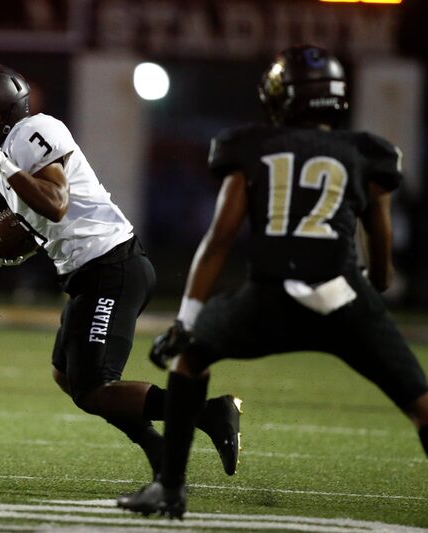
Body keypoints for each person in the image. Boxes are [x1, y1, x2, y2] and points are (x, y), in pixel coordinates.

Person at [117, 44, 428, 519]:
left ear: (284, 97)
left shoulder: (252, 145)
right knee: (421, 404)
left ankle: (170, 489)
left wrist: (186, 320)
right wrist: (375, 287)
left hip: (269, 297)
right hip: (344, 296)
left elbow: (217, 242)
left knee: (189, 359)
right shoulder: (367, 152)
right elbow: (381, 253)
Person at [0, 62, 242, 485]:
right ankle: (159, 452)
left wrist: (5, 167)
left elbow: (56, 201)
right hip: (91, 270)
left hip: (111, 266)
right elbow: (42, 214)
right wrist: (16, 238)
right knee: (67, 376)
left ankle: (209, 412)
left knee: (95, 387)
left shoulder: (31, 131)